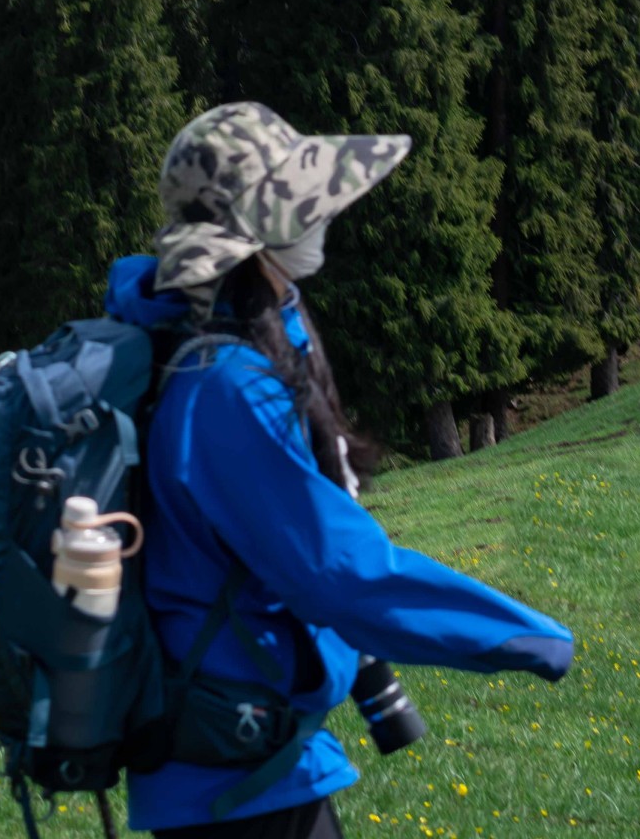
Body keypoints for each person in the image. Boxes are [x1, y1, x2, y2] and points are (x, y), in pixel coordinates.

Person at [104, 103, 574, 837]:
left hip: (243, 764)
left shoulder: (209, 340)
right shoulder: (225, 387)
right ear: (264, 230)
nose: (324, 216)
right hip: (235, 787)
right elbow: (339, 574)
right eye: (304, 202)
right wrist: (528, 636)